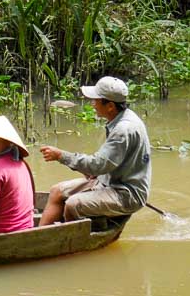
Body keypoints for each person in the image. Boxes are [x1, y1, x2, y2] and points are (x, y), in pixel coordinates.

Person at [38, 76, 151, 225]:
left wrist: (60, 155)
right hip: (108, 181)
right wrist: (95, 171)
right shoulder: (122, 118)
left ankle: (70, 242)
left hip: (126, 193)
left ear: (110, 106)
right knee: (56, 191)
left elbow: (98, 164)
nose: (92, 104)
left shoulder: (123, 130)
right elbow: (106, 163)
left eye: (95, 100)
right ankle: (40, 234)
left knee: (73, 205)